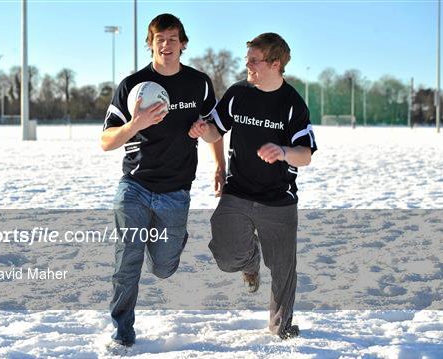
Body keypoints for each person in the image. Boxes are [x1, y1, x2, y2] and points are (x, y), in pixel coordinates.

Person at [101, 13, 218, 347]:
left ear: (183, 44)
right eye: (159, 39)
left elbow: (214, 130)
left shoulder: (199, 83)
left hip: (176, 192)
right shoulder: (133, 85)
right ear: (149, 44)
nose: (166, 45)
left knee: (163, 267)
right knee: (128, 259)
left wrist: (204, 132)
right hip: (135, 186)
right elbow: (106, 141)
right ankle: (123, 330)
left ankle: (172, 242)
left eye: (172, 39)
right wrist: (134, 124)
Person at [193, 32, 317, 339]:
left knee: (282, 269)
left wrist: (284, 152)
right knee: (225, 255)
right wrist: (203, 130)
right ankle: (250, 259)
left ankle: (281, 327)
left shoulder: (292, 105)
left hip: (279, 200)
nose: (247, 65)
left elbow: (306, 156)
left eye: (254, 60)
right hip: (238, 192)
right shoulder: (238, 93)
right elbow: (215, 130)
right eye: (247, 59)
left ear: (275, 63)